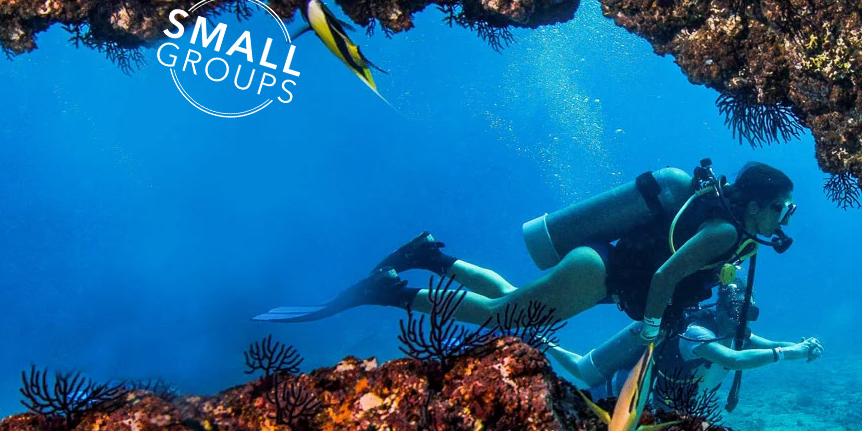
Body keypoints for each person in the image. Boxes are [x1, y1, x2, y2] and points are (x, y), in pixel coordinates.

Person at [254, 162, 798, 343]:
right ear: (757, 203)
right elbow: (662, 277)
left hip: (596, 266)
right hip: (598, 274)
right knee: (502, 318)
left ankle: (432, 257)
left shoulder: (728, 227)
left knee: (511, 301)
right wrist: (653, 334)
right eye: (781, 208)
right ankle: (391, 293)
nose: (782, 219)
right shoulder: (725, 230)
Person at [544, 279, 824, 403]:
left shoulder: (738, 332)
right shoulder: (696, 333)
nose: (743, 322)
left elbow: (769, 343)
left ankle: (545, 344)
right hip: (627, 392)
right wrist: (789, 353)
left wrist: (802, 347)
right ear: (720, 309)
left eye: (749, 314)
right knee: (578, 384)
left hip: (668, 404)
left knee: (580, 379)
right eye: (736, 314)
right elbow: (733, 360)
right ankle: (545, 344)